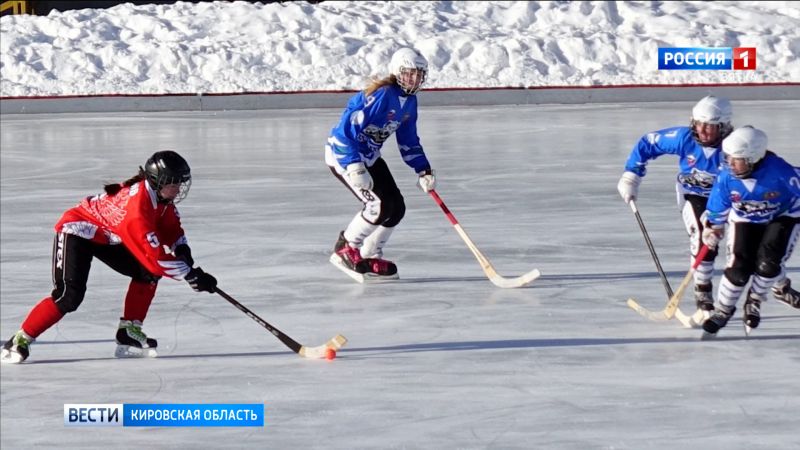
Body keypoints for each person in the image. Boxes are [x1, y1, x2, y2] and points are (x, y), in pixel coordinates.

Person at [0, 151, 218, 364]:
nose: (178, 188)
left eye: (180, 182)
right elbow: (156, 259)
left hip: (106, 236)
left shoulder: (159, 198)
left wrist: (183, 251)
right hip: (77, 232)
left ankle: (129, 331)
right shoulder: (136, 210)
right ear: (157, 181)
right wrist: (192, 275)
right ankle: (19, 340)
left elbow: (171, 229)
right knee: (69, 295)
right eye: (174, 182)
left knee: (146, 273)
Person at [325, 47, 436, 282]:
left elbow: (408, 139)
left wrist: (423, 168)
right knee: (378, 206)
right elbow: (345, 133)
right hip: (344, 155)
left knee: (396, 208)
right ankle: (346, 248)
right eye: (410, 73)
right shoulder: (382, 95)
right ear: (397, 72)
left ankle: (370, 253)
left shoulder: (410, 102)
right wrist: (354, 166)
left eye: (419, 74)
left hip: (370, 156)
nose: (415, 79)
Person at [617, 95, 734, 312]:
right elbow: (649, 142)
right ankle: (702, 288)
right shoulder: (684, 138)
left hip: (727, 200)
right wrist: (631, 175)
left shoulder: (734, 147)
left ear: (724, 126)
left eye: (709, 126)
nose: (702, 130)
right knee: (701, 235)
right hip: (693, 194)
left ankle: (776, 283)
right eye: (699, 124)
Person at [700, 126, 800, 335]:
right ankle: (723, 310)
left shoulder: (780, 171)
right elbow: (717, 209)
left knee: (768, 263)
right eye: (728, 158)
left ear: (753, 158)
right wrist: (712, 230)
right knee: (738, 269)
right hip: (745, 218)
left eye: (736, 159)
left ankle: (754, 300)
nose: (730, 164)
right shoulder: (726, 178)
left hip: (783, 215)